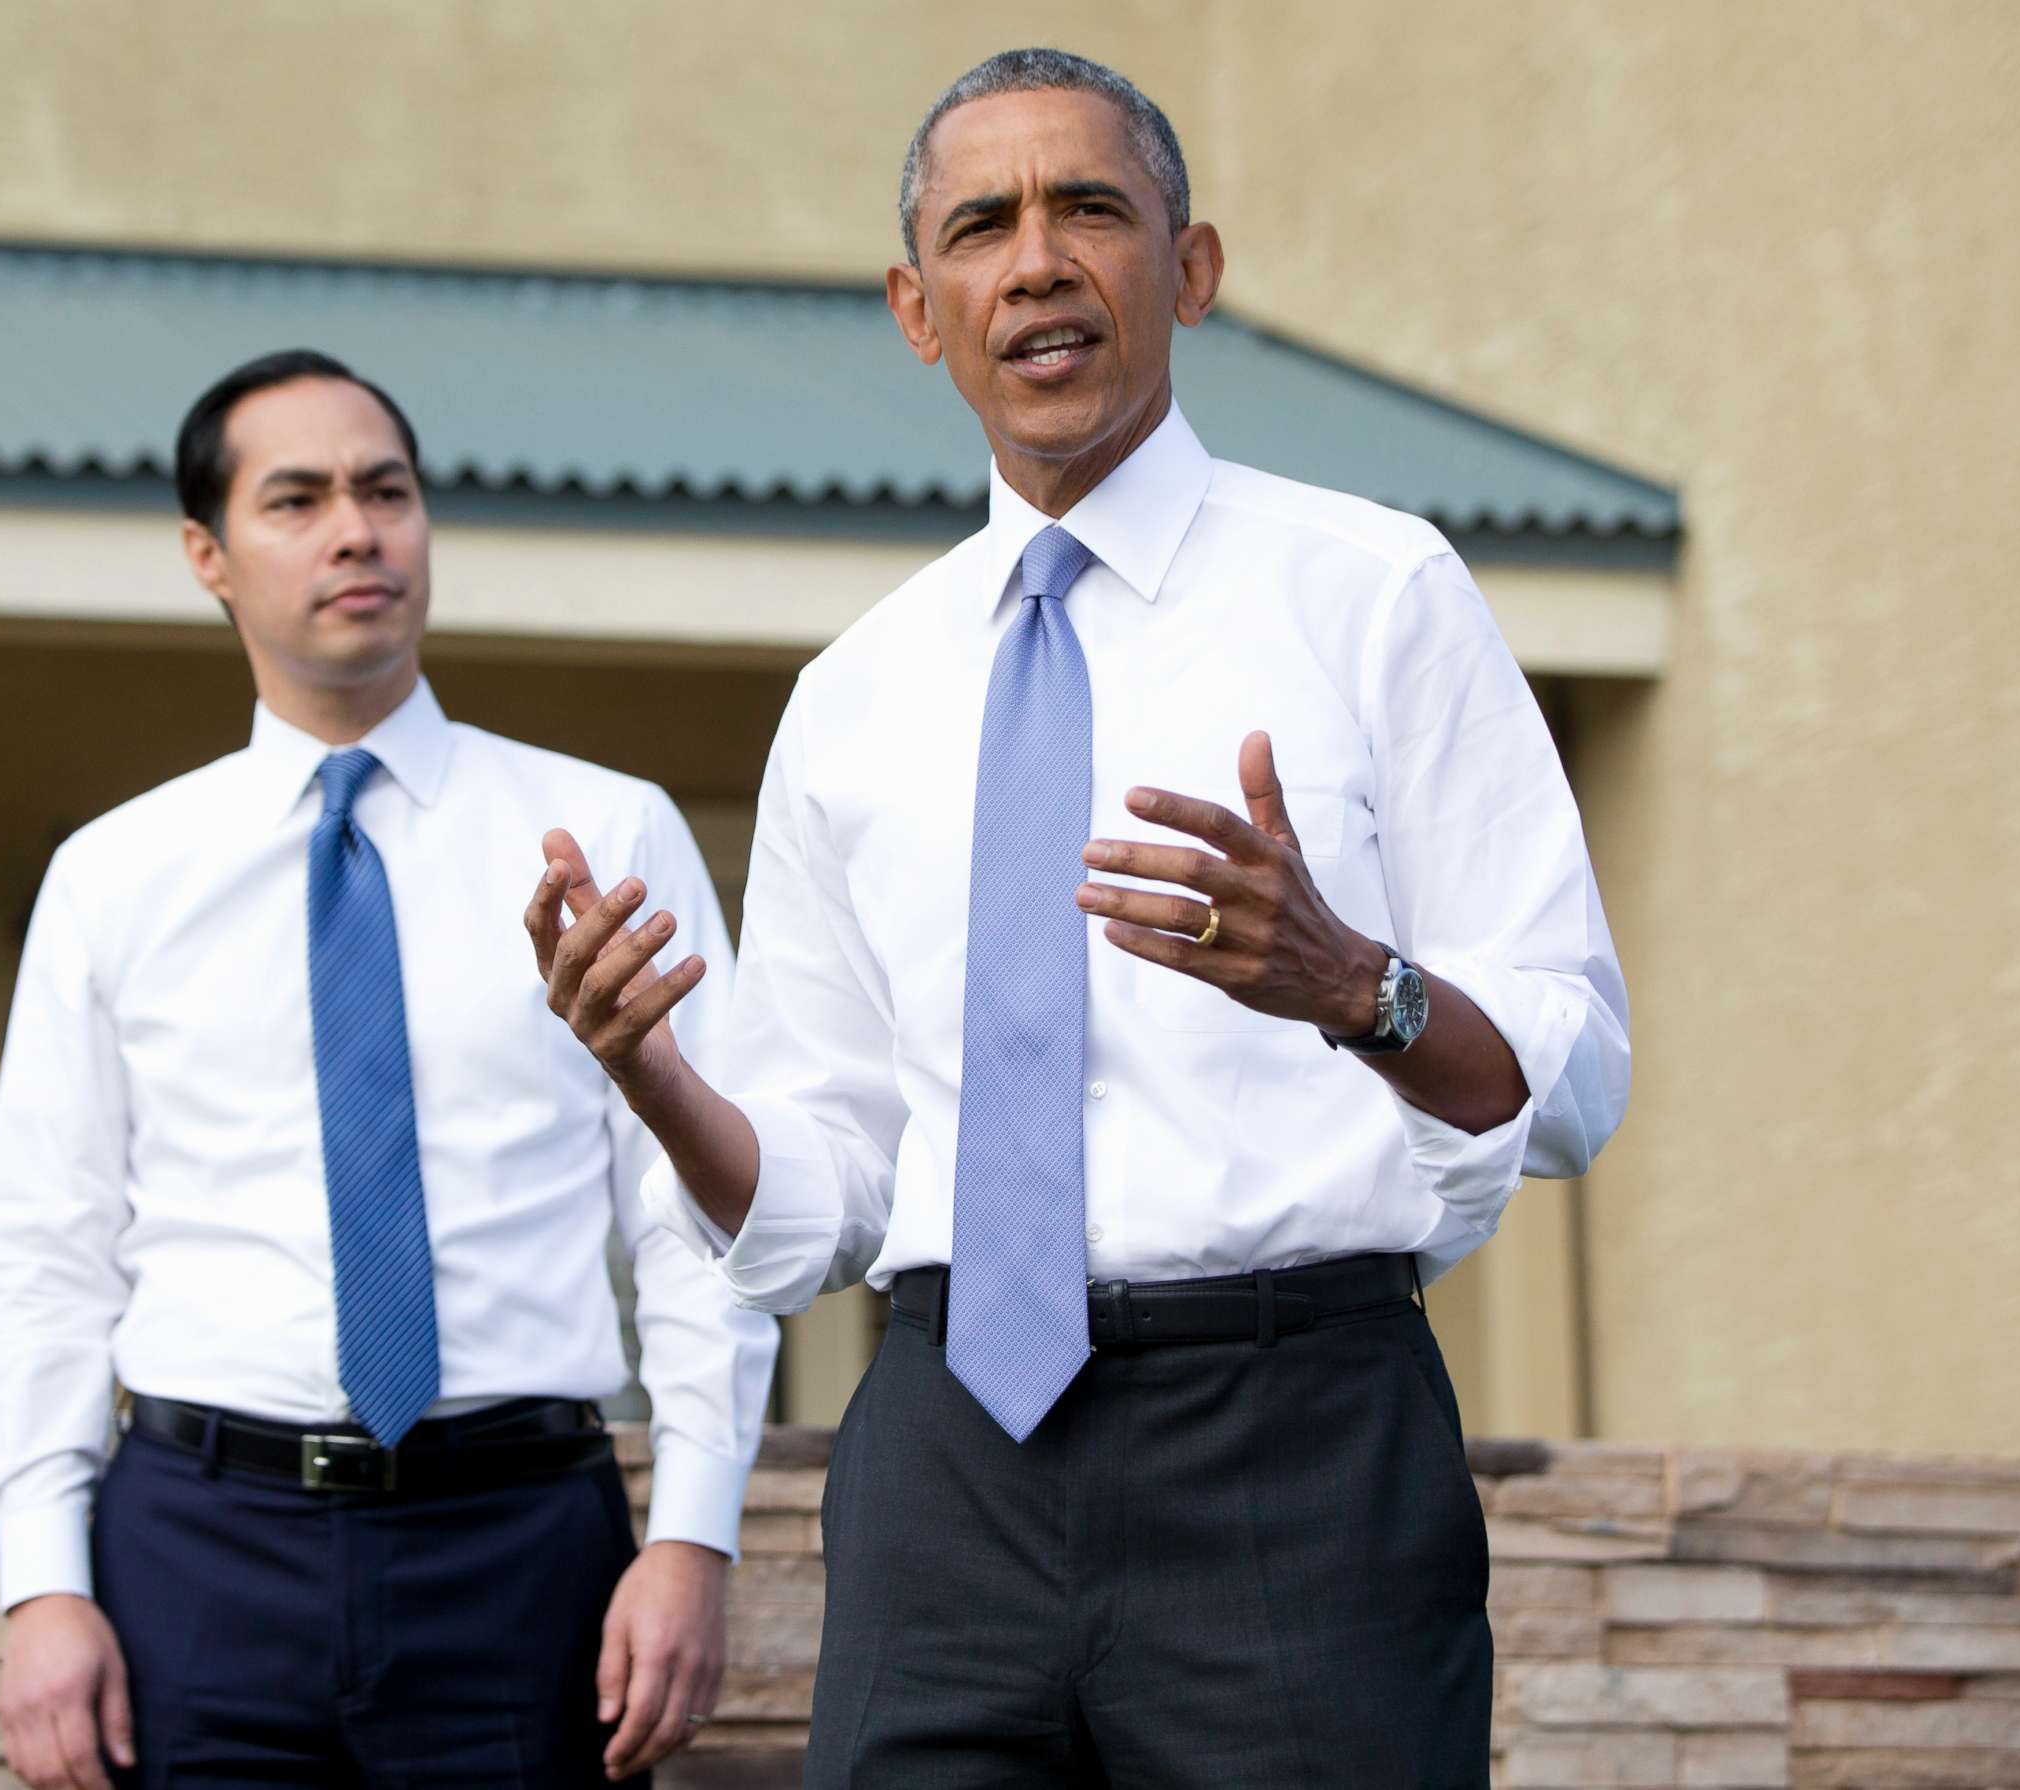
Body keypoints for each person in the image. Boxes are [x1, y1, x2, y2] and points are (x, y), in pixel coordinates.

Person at [528, 48, 1631, 1788]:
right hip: (947, 1454)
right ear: (919, 307)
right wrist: (653, 1077)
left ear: (1189, 270)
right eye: (983, 226)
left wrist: (1355, 983)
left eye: (1089, 209)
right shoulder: (854, 696)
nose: (1035, 260)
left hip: (1296, 1446)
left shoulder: (1379, 594)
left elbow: (1561, 1080)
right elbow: (833, 1190)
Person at [0, 349, 778, 1790]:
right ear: (207, 555)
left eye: (385, 490)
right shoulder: (115, 876)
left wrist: (693, 1531)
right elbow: (48, 1253)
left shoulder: (603, 835)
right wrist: (43, 1579)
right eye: (299, 498)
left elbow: (694, 1226)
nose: (358, 529)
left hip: (524, 1551)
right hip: (199, 1560)